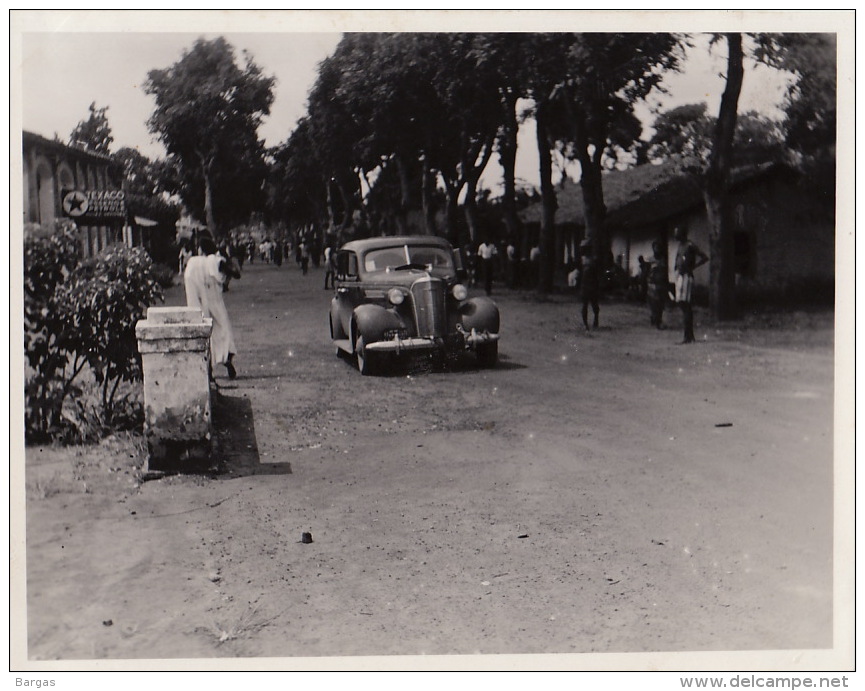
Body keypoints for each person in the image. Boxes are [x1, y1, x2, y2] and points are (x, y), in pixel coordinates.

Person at [184, 236, 238, 380]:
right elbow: (234, 273)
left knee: (205, 335)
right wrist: (226, 276)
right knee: (223, 332)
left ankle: (209, 370)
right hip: (215, 302)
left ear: (202, 249)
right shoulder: (213, 260)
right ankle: (225, 360)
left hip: (201, 302)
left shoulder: (199, 261)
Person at [673, 225, 709, 344]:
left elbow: (704, 257)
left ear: (682, 233)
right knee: (682, 304)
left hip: (687, 277)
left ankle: (688, 336)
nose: (675, 234)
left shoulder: (690, 245)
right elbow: (677, 260)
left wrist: (693, 267)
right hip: (680, 277)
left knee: (686, 305)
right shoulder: (680, 246)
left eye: (677, 232)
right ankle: (689, 335)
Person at [578, 240, 600, 332]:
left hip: (592, 284)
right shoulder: (582, 259)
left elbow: (597, 273)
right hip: (585, 284)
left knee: (594, 305)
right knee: (585, 305)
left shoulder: (594, 259)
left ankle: (595, 320)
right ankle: (585, 324)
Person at [646, 241, 668, 329]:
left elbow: (664, 272)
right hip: (652, 283)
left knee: (660, 303)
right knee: (653, 302)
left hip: (660, 283)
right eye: (655, 247)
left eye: (658, 247)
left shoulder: (663, 260)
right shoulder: (650, 259)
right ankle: (654, 317)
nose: (657, 249)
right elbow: (647, 271)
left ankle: (658, 319)